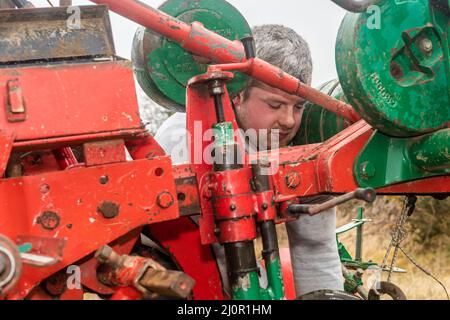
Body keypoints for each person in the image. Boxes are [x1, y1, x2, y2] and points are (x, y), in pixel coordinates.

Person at [154, 24, 343, 297]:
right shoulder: (189, 136)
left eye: (299, 107)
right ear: (237, 94)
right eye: (275, 105)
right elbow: (221, 260)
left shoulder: (298, 154)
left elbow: (316, 249)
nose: (289, 121)